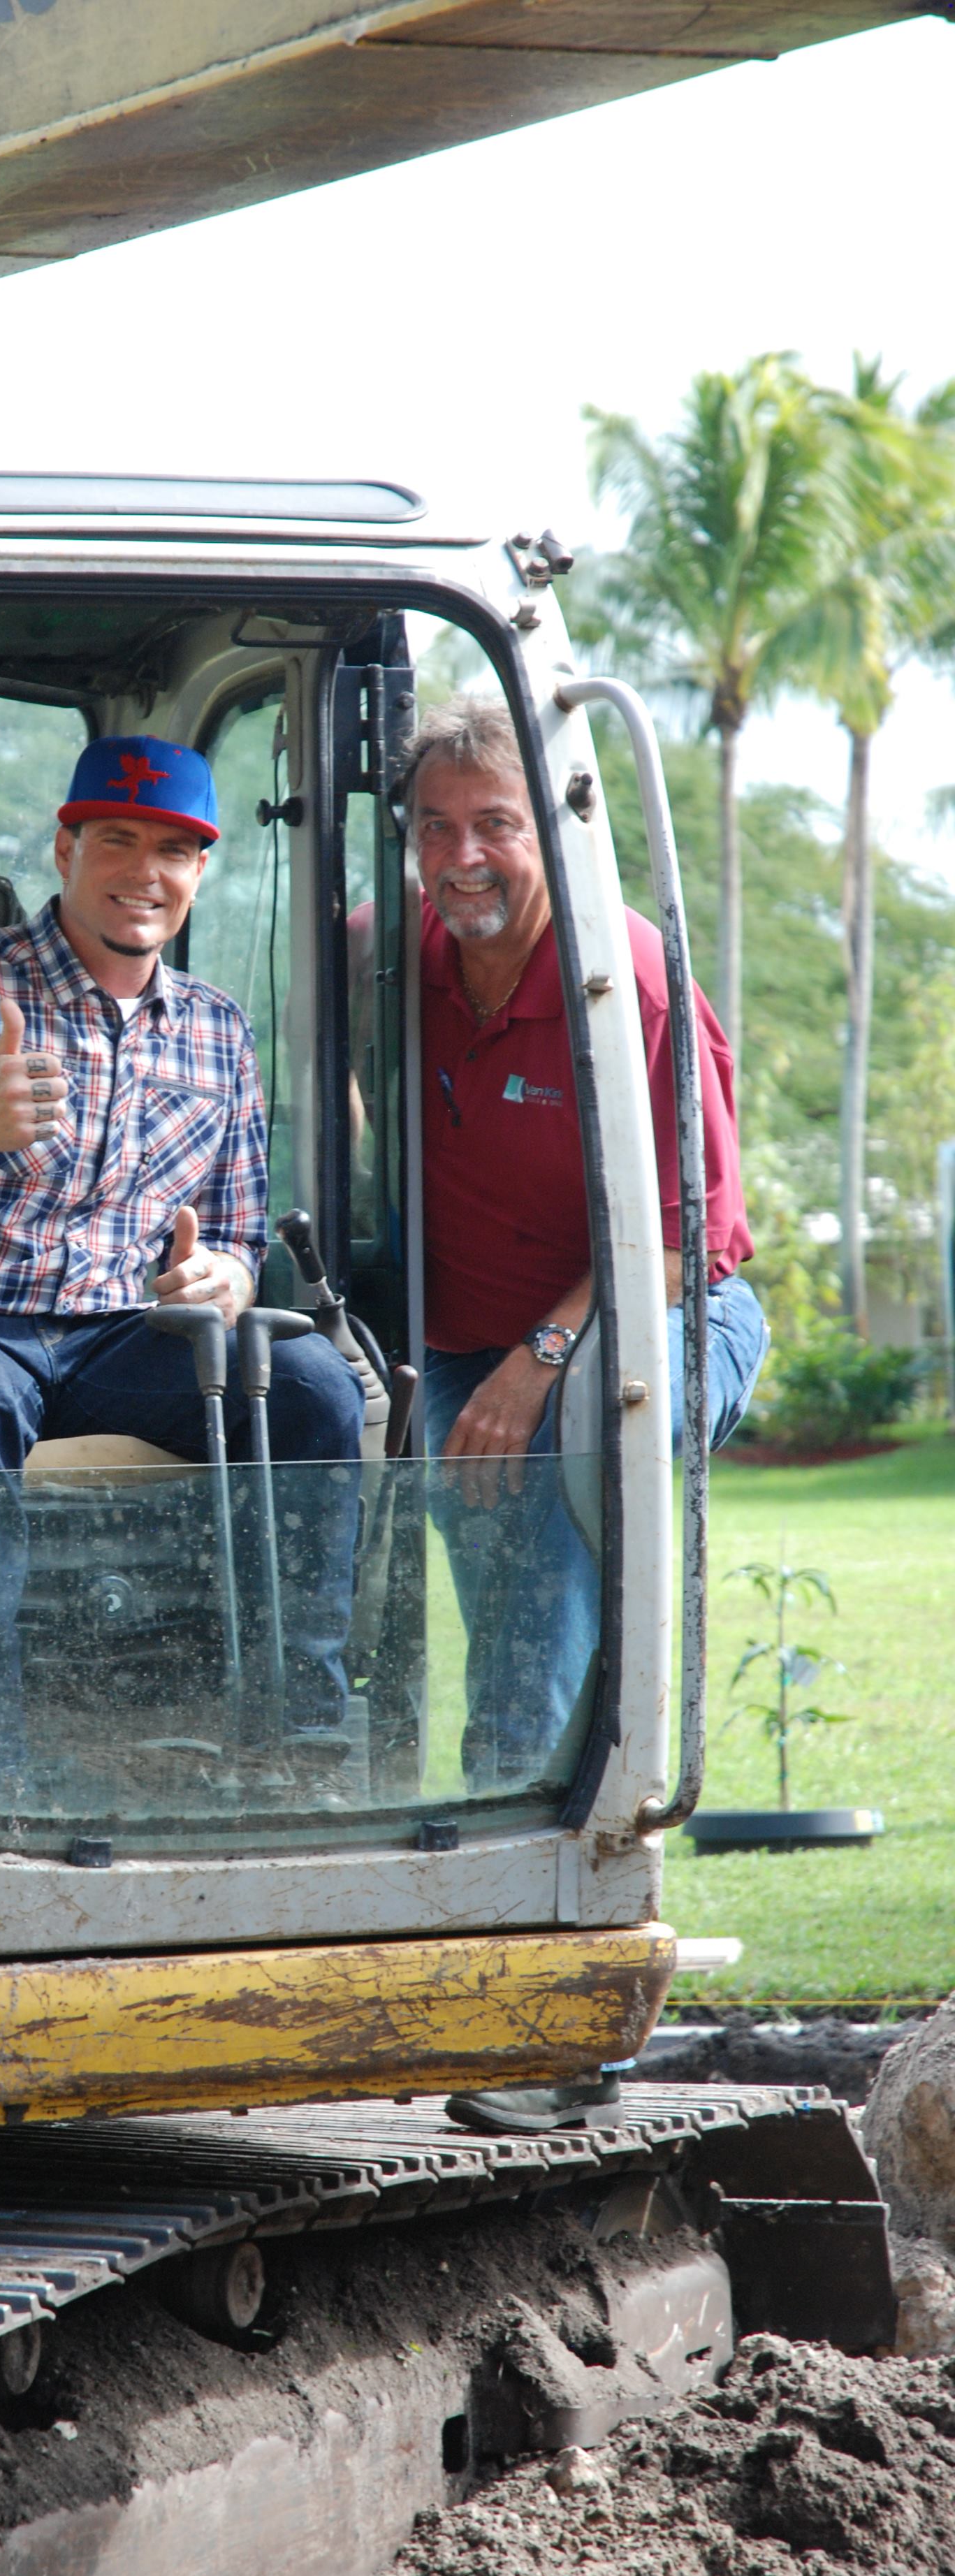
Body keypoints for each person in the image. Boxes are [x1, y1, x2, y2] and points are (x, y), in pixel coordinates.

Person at [0, 734, 365, 1768]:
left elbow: (242, 1228)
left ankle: (304, 1739)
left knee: (309, 1386)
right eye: (118, 840)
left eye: (174, 849)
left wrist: (227, 1277)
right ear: (65, 849)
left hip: (131, 1336)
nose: (145, 872)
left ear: (201, 872)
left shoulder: (217, 1028)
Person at [404, 692, 767, 1797]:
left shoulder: (634, 985)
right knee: (505, 1583)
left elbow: (680, 1236)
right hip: (467, 1339)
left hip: (655, 1312)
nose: (464, 856)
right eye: (434, 825)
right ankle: (527, 1804)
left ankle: (538, 1855)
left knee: (569, 1455)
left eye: (496, 824)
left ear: (555, 829)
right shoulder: (389, 954)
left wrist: (539, 1363)